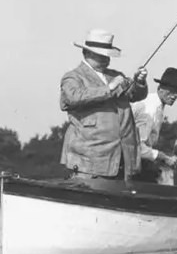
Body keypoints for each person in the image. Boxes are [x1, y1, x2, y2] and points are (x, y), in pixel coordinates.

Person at [59, 28, 148, 181]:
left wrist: (139, 82)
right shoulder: (73, 77)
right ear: (88, 53)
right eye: (102, 55)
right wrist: (109, 88)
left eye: (108, 55)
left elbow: (135, 95)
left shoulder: (116, 75)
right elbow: (72, 97)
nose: (107, 58)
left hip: (122, 159)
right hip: (90, 160)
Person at [130, 67, 177, 185]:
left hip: (141, 160)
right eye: (171, 91)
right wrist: (164, 157)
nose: (174, 95)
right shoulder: (149, 108)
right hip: (130, 162)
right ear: (160, 88)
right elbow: (136, 147)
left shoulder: (158, 107)